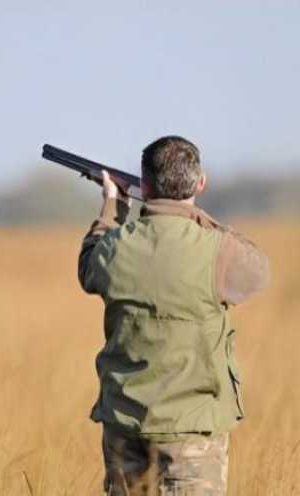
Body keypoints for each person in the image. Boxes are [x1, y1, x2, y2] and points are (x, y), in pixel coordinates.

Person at [78, 136, 270, 495]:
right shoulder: (217, 249)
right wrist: (197, 217)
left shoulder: (116, 247)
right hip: (193, 432)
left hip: (125, 425)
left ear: (144, 184)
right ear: (200, 183)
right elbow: (259, 270)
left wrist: (111, 206)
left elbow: (89, 265)